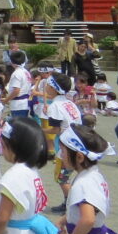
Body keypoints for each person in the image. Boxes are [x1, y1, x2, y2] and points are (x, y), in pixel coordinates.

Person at [45, 72, 84, 214]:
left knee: (62, 177)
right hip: (78, 143)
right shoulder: (69, 103)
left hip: (67, 148)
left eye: (48, 85)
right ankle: (70, 203)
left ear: (55, 88)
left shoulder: (55, 105)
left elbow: (55, 129)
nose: (46, 87)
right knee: (73, 176)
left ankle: (70, 205)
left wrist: (38, 130)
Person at [2, 50, 32, 120]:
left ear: (12, 62)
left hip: (18, 104)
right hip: (25, 102)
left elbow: (16, 91)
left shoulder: (16, 73)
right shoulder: (26, 71)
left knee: (18, 127)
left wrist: (6, 100)